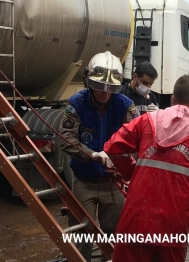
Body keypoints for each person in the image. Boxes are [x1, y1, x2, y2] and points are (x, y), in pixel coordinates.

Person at [103, 75, 189, 262]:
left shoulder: (146, 121)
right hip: (172, 226)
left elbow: (113, 147)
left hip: (135, 220)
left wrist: (132, 172)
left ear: (172, 99)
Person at [59, 51, 139, 260]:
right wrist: (93, 154)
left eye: (110, 88)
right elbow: (66, 138)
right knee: (80, 233)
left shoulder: (124, 106)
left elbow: (138, 138)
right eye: (99, 86)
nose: (104, 93)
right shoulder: (76, 103)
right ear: (88, 81)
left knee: (115, 233)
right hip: (83, 180)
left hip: (112, 182)